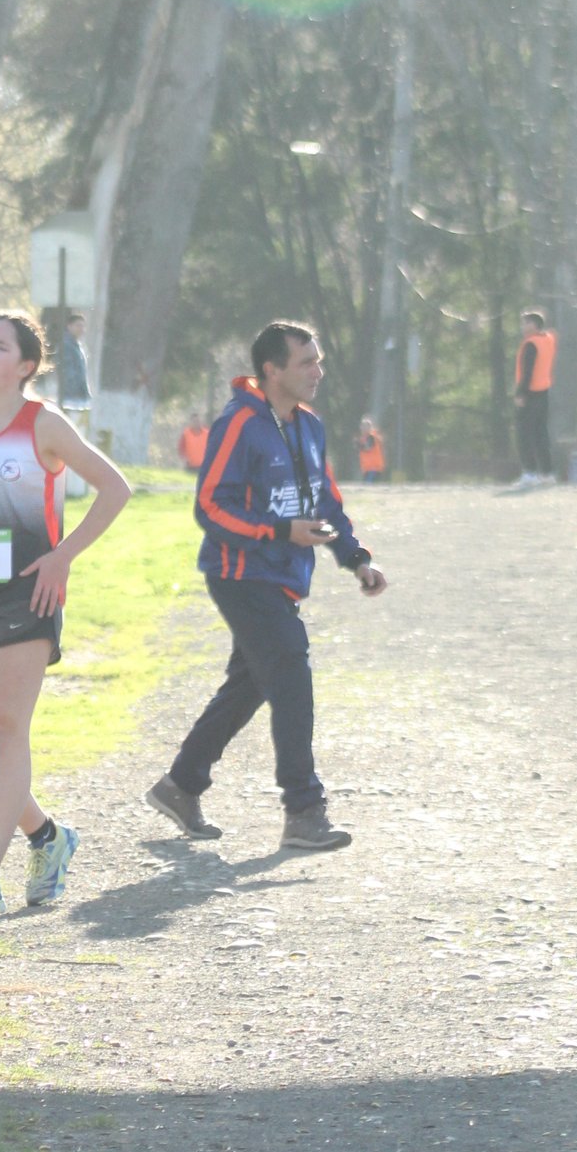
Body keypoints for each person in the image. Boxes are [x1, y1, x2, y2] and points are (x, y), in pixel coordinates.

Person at [146, 320, 388, 853]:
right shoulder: (238, 425)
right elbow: (210, 506)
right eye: (307, 362)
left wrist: (355, 558)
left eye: (318, 360)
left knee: (251, 683)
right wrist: (277, 530)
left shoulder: (310, 426)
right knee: (290, 669)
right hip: (239, 575)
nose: (318, 371)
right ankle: (303, 810)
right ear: (272, 370)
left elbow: (325, 503)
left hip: (282, 578)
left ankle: (180, 785)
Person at [0, 310, 131, 920]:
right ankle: (48, 837)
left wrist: (63, 557)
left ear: (25, 365)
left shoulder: (43, 424)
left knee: (8, 724)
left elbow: (114, 487)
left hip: (29, 595)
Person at [514, 308, 557, 484]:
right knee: (541, 434)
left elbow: (527, 372)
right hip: (544, 393)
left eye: (525, 323)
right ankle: (547, 473)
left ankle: (529, 472)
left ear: (533, 325)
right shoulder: (547, 340)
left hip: (530, 394)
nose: (522, 327)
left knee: (524, 434)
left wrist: (520, 393)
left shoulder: (531, 344)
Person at [57, 311, 91, 411]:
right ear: (69, 326)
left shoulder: (76, 346)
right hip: (71, 399)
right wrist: (76, 396)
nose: (82, 329)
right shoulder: (66, 345)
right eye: (78, 326)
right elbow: (68, 374)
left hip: (78, 397)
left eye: (83, 326)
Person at [356, 414, 386, 482]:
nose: (363, 428)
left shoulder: (371, 437)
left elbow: (367, 448)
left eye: (366, 426)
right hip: (367, 469)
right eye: (362, 426)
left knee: (368, 487)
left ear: (370, 427)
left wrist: (359, 445)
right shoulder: (363, 438)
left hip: (374, 468)